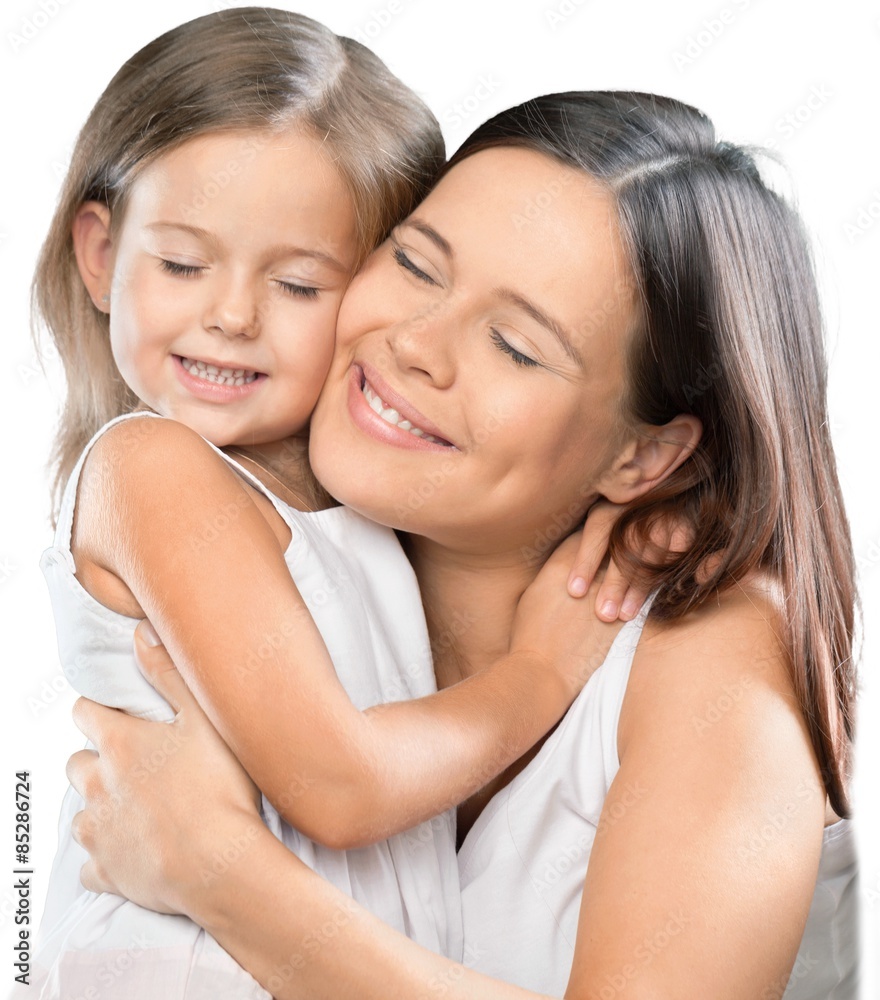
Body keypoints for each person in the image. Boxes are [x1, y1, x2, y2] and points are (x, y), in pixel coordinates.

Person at [70, 91, 857, 999]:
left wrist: (225, 878)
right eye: (414, 264)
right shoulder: (254, 542)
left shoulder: (714, 648)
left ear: (644, 456)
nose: (415, 344)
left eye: (515, 347)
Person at [28, 12, 629, 997]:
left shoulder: (363, 508)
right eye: (182, 264)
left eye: (300, 284)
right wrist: (540, 672)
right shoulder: (152, 468)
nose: (232, 314)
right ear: (100, 255)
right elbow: (341, 789)